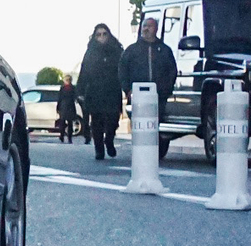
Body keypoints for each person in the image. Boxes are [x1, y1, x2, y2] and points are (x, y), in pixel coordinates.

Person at [121, 18, 180, 147]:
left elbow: (172, 71)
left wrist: (166, 89)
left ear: (156, 29)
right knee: (139, 124)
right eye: (144, 26)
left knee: (155, 123)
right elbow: (123, 70)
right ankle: (140, 148)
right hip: (137, 95)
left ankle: (157, 149)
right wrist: (127, 90)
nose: (146, 29)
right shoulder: (131, 50)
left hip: (158, 96)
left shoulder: (164, 50)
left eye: (149, 26)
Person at [75, 24, 125, 161]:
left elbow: (124, 70)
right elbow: (84, 72)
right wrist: (79, 91)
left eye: (104, 34)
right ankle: (99, 149)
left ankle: (109, 140)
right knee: (96, 122)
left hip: (113, 91)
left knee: (113, 120)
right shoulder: (90, 52)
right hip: (95, 91)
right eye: (99, 34)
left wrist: (126, 88)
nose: (102, 37)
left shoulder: (117, 50)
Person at [53, 74, 82, 144]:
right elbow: (75, 97)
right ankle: (69, 138)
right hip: (71, 107)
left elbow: (59, 98)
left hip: (63, 107)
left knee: (62, 123)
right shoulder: (73, 88)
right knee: (70, 123)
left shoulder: (62, 88)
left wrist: (58, 107)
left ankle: (62, 136)